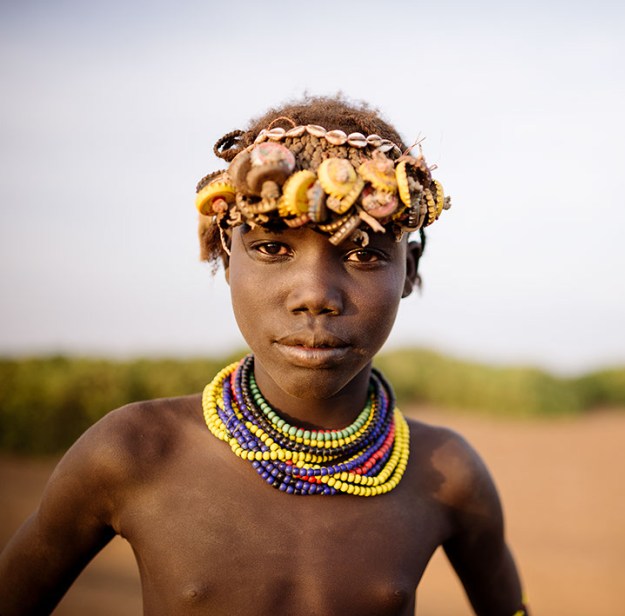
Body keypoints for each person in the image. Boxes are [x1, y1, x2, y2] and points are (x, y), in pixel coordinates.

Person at [0, 96, 527, 615]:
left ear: (409, 270)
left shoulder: (447, 475)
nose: (315, 293)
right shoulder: (132, 452)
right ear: (224, 256)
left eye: (364, 253)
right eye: (273, 248)